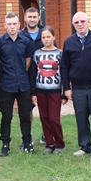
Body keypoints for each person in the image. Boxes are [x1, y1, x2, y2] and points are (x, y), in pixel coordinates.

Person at [61, 12, 91, 161]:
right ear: (73, 24)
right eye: (76, 22)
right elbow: (65, 66)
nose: (80, 24)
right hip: (78, 87)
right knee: (81, 118)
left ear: (88, 22)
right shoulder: (69, 42)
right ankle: (85, 146)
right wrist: (67, 88)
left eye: (82, 21)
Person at [0, 11, 35, 156]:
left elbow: (28, 61)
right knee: (6, 116)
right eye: (9, 24)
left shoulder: (26, 42)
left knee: (25, 116)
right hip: (6, 84)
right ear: (5, 25)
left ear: (19, 25)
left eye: (14, 24)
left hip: (23, 85)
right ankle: (5, 144)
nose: (12, 27)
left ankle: (27, 143)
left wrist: (21, 74)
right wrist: (4, 78)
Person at [20, 7, 56, 146]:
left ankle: (46, 135)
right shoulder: (20, 35)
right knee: (26, 110)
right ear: (25, 18)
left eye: (35, 17)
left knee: (46, 111)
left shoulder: (45, 33)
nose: (32, 19)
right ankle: (27, 138)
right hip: (26, 79)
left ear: (39, 18)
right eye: (30, 17)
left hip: (46, 79)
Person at [29, 26, 67, 154]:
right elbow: (34, 73)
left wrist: (64, 93)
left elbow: (64, 74)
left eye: (48, 37)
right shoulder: (37, 53)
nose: (46, 39)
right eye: (43, 37)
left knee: (54, 118)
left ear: (54, 37)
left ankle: (60, 143)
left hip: (55, 91)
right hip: (40, 90)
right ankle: (49, 143)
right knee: (44, 117)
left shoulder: (60, 53)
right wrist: (33, 92)